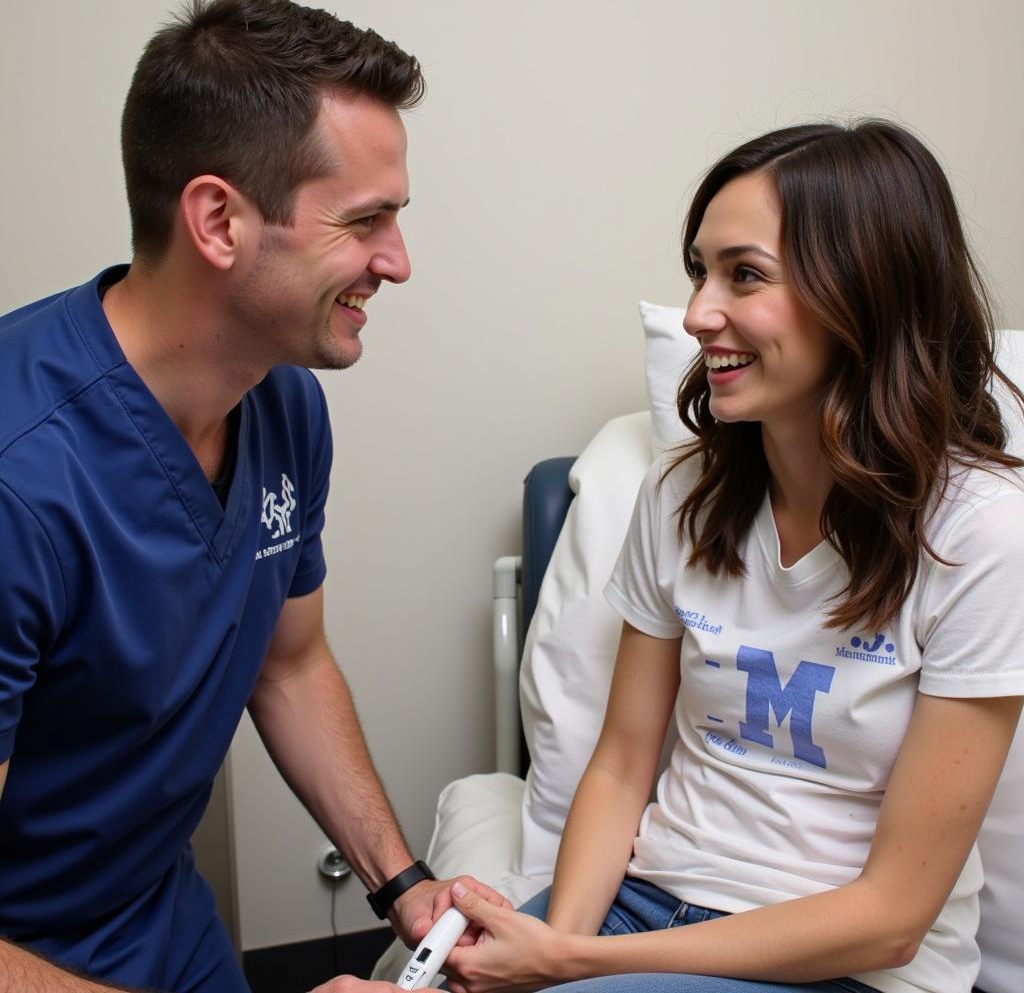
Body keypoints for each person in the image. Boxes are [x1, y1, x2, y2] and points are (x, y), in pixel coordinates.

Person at [423, 122, 1024, 993]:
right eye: (699, 272)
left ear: (865, 295)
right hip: (644, 906)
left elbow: (894, 919)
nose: (701, 312)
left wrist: (578, 964)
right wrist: (548, 946)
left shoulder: (980, 535)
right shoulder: (682, 496)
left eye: (744, 274)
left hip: (840, 965)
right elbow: (624, 763)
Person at [0, 0, 505, 993]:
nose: (397, 263)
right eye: (366, 221)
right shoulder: (21, 483)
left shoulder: (282, 405)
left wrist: (400, 884)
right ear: (219, 220)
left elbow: (290, 662)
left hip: (158, 917)